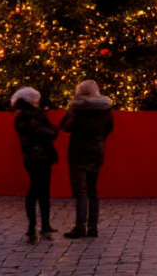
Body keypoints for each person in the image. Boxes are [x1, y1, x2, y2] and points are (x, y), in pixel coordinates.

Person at [61, 80, 114, 238]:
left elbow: (65, 126)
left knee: (80, 192)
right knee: (93, 191)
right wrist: (99, 140)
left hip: (78, 152)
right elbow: (110, 127)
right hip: (96, 151)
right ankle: (93, 227)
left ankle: (80, 226)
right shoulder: (105, 109)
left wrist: (70, 107)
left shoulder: (76, 109)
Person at [13, 86, 59, 242]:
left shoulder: (23, 115)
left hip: (33, 156)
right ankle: (37, 224)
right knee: (38, 190)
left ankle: (37, 224)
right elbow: (46, 132)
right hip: (39, 156)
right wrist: (53, 130)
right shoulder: (30, 116)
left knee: (39, 189)